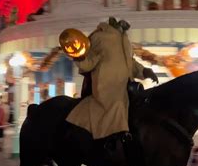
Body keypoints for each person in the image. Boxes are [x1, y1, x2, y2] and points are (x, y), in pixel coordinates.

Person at [64, 17, 158, 147]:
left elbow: (131, 63)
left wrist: (144, 71)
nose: (124, 24)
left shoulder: (125, 40)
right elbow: (89, 63)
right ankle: (113, 137)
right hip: (106, 87)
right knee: (117, 103)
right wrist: (79, 57)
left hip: (126, 85)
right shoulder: (99, 37)